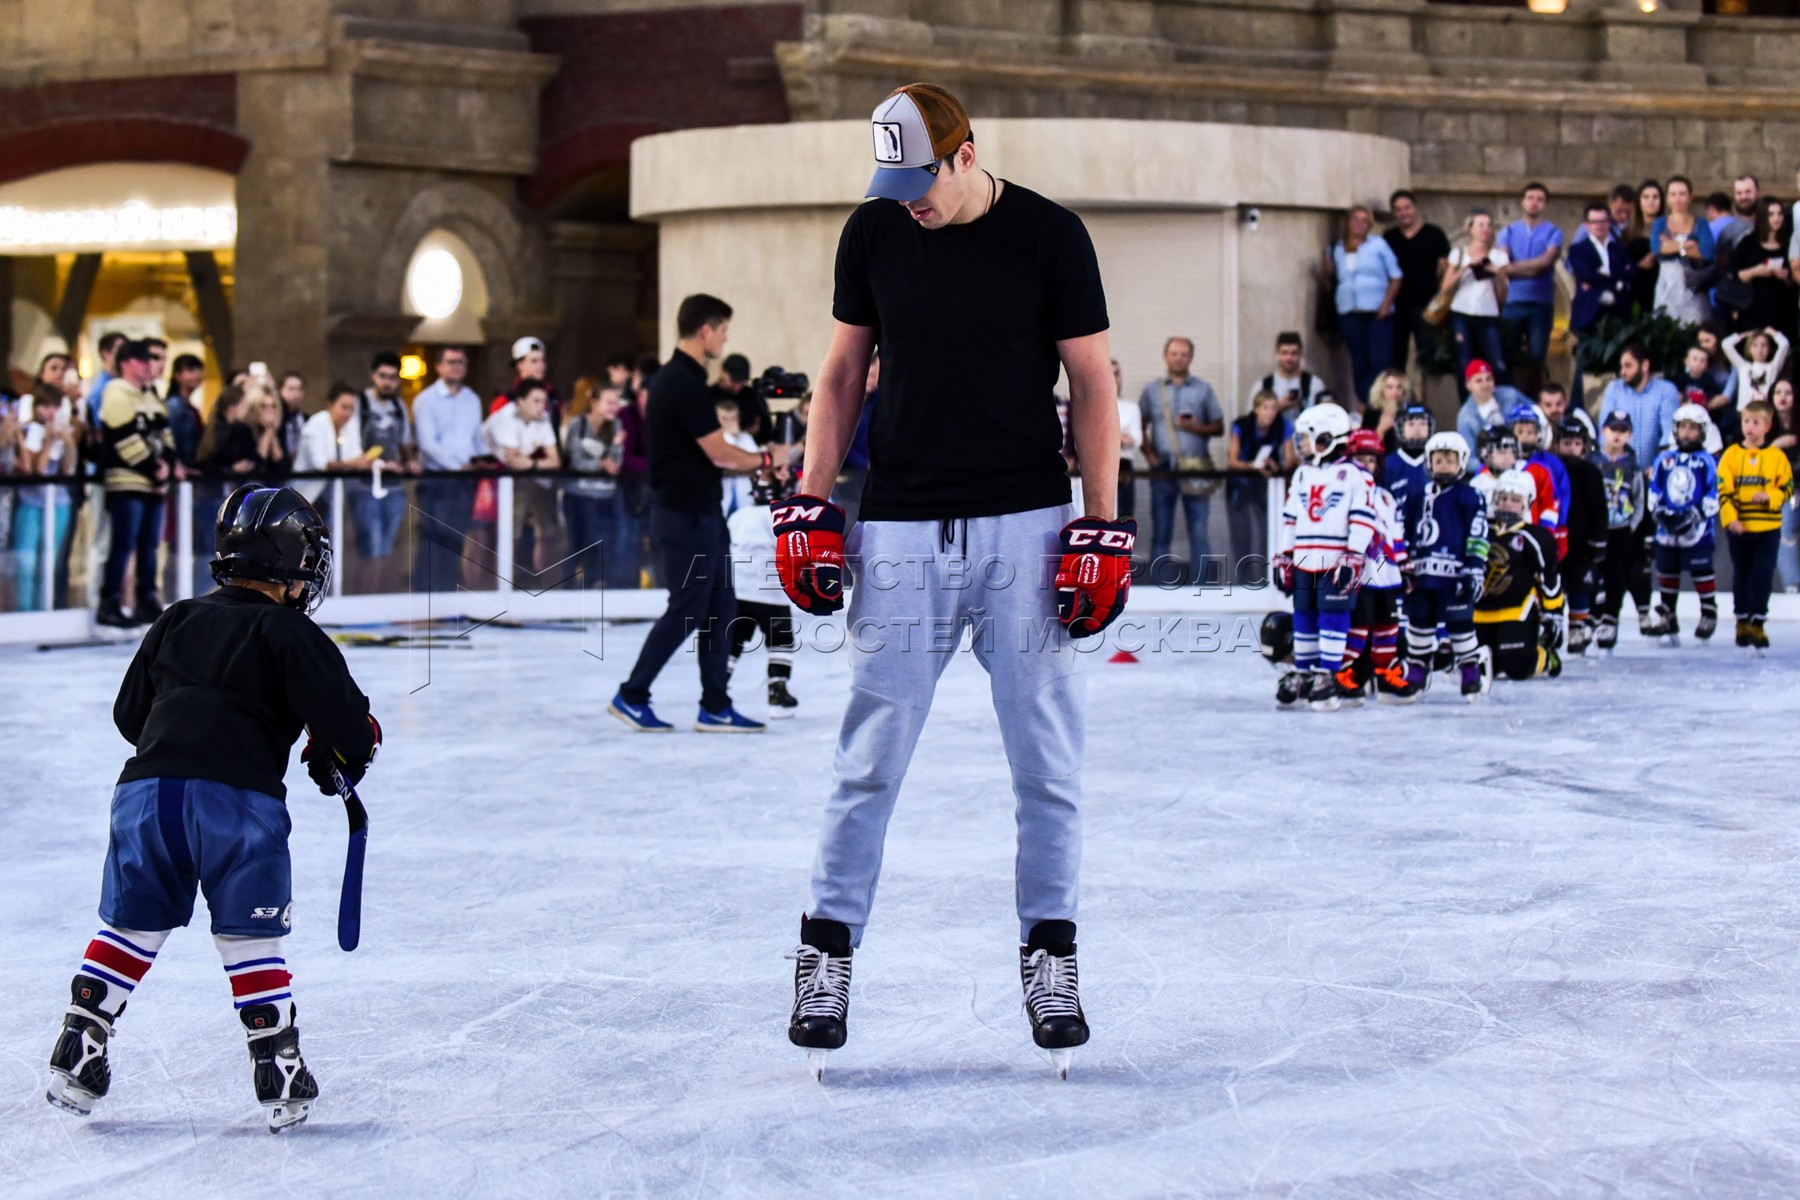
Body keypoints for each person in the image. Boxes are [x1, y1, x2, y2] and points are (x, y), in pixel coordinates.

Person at [773, 82, 1125, 1079]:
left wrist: (1099, 522)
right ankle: (826, 956)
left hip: (1027, 525)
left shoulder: (1051, 236)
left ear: (967, 154)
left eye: (921, 179)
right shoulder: (875, 232)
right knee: (867, 759)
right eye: (893, 183)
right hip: (900, 530)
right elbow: (842, 375)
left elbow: (1095, 382)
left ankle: (1051, 958)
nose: (909, 200)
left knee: (1046, 766)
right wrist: (811, 501)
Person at [42, 484, 378, 1132]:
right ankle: (278, 1068)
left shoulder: (176, 617)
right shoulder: (287, 630)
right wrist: (342, 753)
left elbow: (129, 716)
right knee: (248, 935)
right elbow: (349, 726)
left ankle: (80, 1044)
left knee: (130, 927)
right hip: (237, 803)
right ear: (296, 566)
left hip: (145, 794)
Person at [609, 293, 768, 734]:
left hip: (702, 514)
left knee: (720, 609)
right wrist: (766, 461)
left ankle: (715, 705)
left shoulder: (682, 380)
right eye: (722, 330)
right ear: (705, 331)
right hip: (684, 516)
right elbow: (719, 452)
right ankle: (632, 694)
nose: (725, 339)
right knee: (687, 610)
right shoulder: (681, 382)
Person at [1270, 405, 1374, 712]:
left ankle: (1328, 674)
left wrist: (1354, 556)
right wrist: (1284, 556)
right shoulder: (1302, 474)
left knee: (1332, 615)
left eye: (1307, 437)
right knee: (1303, 614)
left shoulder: (1355, 476)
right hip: (1304, 559)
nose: (1301, 444)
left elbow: (1362, 519)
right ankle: (1305, 670)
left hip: (1336, 560)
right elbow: (1290, 518)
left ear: (1328, 437)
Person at [1393, 431, 1490, 702]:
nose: (1443, 464)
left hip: (1454, 576)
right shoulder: (1416, 496)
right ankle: (1417, 668)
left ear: (1462, 462)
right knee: (1419, 622)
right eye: (1438, 459)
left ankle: (1470, 667)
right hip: (1421, 574)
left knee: (1459, 624)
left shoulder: (1471, 496)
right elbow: (1403, 530)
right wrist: (1402, 564)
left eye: (1450, 459)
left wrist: (1474, 568)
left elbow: (1478, 534)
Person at [96, 341, 170, 628]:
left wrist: (169, 463)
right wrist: (156, 468)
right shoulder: (116, 392)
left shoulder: (149, 394)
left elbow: (164, 433)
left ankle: (146, 600)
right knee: (123, 544)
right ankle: (110, 602)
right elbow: (123, 437)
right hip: (127, 482)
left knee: (149, 545)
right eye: (142, 360)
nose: (148, 366)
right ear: (126, 363)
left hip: (151, 484)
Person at [1139, 335, 1224, 584]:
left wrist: (1194, 426)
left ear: (1191, 357)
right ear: (1166, 356)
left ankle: (1201, 589)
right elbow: (1139, 426)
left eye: (1184, 354)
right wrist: (1151, 457)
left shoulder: (1203, 389)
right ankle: (1159, 588)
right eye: (1174, 353)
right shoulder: (1153, 390)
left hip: (1196, 466)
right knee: (1161, 531)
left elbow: (1218, 426)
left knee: (1199, 531)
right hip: (1163, 469)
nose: (1179, 358)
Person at [1336, 428, 1408, 702]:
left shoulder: (1386, 497)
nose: (1366, 465)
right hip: (1361, 574)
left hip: (1386, 575)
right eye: (1360, 459)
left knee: (1387, 627)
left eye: (1371, 460)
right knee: (1359, 627)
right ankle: (1344, 673)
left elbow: (1396, 535)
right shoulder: (1345, 493)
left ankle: (1385, 675)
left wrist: (1405, 565)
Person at [1474, 468, 1565, 681]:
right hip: (1480, 612)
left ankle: (1545, 655)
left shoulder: (1536, 537)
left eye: (1515, 499)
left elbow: (1548, 578)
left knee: (1517, 667)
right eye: (1503, 497)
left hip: (1517, 611)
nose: (1507, 503)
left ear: (1528, 503)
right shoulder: (1479, 532)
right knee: (1486, 669)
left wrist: (1553, 614)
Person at [1718, 399, 1792, 649]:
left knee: (1762, 575)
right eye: (1746, 421)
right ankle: (1741, 621)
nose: (1749, 427)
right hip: (1740, 528)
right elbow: (1723, 492)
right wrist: (1731, 520)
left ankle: (1758, 621)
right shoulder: (1731, 455)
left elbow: (1788, 489)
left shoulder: (1777, 457)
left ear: (1767, 426)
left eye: (1756, 422)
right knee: (1742, 575)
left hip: (1768, 528)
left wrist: (1770, 496)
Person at [725, 469, 800, 718]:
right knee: (780, 641)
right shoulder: (783, 516)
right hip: (772, 596)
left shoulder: (738, 516)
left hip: (740, 593)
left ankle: (717, 687)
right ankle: (777, 693)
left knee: (734, 641)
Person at [1646, 403, 1722, 643]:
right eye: (1683, 427)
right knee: (1667, 569)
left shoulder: (1706, 461)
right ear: (1675, 430)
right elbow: (1655, 490)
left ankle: (1708, 610)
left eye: (1693, 428)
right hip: (1667, 530)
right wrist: (1659, 512)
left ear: (1703, 432)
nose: (1687, 433)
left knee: (1701, 570)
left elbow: (1714, 493)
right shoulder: (1664, 459)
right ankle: (1668, 614)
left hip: (1697, 531)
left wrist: (1697, 515)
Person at [350, 352, 419, 592]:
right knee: (371, 546)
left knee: (387, 546)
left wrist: (410, 461)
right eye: (383, 376)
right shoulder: (360, 404)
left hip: (393, 485)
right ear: (373, 375)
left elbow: (405, 444)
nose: (387, 382)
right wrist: (376, 461)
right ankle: (363, 599)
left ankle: (378, 596)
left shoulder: (399, 407)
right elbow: (351, 444)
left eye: (392, 377)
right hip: (365, 484)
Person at [1324, 204, 1403, 407]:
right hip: (1350, 311)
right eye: (1355, 220)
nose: (1359, 224)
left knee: (1380, 361)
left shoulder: (1378, 245)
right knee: (1359, 361)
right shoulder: (1337, 249)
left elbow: (1396, 276)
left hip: (1377, 311)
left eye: (1364, 221)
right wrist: (1326, 271)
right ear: (1348, 223)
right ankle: (1363, 403)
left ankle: (1373, 401)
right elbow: (1331, 282)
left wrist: (1386, 305)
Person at [484, 380, 562, 576]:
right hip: (490, 478)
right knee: (505, 534)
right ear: (520, 401)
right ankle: (500, 585)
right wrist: (533, 464)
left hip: (526, 477)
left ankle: (544, 582)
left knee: (546, 531)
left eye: (543, 401)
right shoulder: (505, 417)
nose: (541, 406)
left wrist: (532, 464)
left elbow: (555, 460)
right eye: (536, 401)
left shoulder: (542, 417)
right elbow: (513, 460)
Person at [11, 384, 78, 610]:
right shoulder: (28, 431)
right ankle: (25, 610)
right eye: (45, 406)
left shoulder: (63, 431)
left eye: (54, 406)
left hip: (58, 503)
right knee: (26, 561)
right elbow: (37, 469)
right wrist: (49, 441)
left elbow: (68, 469)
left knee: (50, 561)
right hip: (31, 502)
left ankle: (45, 608)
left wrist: (68, 442)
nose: (49, 412)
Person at [1495, 183, 1564, 391]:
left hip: (1541, 304)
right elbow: (1502, 266)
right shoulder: (1508, 231)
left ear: (1545, 204)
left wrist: (1514, 268)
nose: (1534, 203)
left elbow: (1544, 263)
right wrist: (1527, 268)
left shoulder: (1554, 232)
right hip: (1513, 302)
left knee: (1537, 358)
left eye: (1540, 199)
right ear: (1523, 201)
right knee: (1509, 356)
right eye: (1530, 197)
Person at [1567, 200, 1635, 408]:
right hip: (1590, 315)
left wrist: (1603, 280)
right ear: (1587, 225)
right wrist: (1616, 282)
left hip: (1616, 313)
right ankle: (1577, 407)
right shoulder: (1578, 249)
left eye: (1603, 221)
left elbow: (1630, 271)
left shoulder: (1618, 248)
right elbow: (1585, 273)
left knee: (1617, 362)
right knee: (1585, 362)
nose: (1599, 226)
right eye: (1594, 222)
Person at [560, 377, 626, 589]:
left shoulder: (616, 426)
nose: (614, 408)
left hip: (607, 496)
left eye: (616, 402)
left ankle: (592, 589)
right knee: (576, 546)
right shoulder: (576, 425)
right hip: (578, 496)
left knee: (602, 548)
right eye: (609, 402)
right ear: (594, 402)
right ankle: (567, 595)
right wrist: (602, 463)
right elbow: (577, 460)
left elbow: (616, 462)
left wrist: (608, 457)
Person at [1224, 389, 1295, 583]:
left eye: (1273, 408)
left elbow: (1291, 460)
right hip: (1240, 484)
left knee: (1268, 532)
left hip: (1266, 487)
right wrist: (1253, 466)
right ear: (1256, 410)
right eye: (1265, 408)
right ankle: (1244, 580)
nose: (1269, 413)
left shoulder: (1283, 425)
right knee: (1241, 534)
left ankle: (1268, 577)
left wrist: (1277, 467)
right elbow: (1232, 460)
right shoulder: (1241, 425)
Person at [1592, 410, 1649, 652]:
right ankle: (1591, 617)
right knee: (1594, 575)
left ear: (1629, 435)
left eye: (1622, 430)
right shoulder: (1593, 462)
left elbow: (1639, 499)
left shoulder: (1632, 466)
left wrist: (1632, 525)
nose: (1617, 435)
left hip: (1621, 529)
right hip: (1596, 530)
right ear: (1603, 431)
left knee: (1617, 575)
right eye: (1613, 429)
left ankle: (1610, 619)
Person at [1553, 419, 1608, 657]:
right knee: (1553, 587)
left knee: (1579, 587)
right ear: (1557, 444)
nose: (1572, 448)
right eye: (1567, 443)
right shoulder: (1551, 468)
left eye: (1577, 443)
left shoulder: (1591, 472)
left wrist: (1598, 541)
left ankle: (1577, 628)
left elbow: (1599, 510)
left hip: (1581, 542)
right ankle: (1551, 629)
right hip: (1554, 540)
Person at [1383, 189, 1451, 375]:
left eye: (1407, 207)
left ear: (1415, 208)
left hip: (1426, 304)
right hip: (1398, 306)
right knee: (1396, 358)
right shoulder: (1389, 238)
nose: (1404, 213)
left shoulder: (1434, 234)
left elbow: (1446, 268)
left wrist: (1440, 299)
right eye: (1398, 209)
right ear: (1394, 212)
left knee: (1430, 357)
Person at [1442, 208, 1510, 385]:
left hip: (1488, 315)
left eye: (1488, 225)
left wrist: (1499, 275)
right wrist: (1467, 267)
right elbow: (1446, 286)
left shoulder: (1499, 256)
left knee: (1498, 363)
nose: (1485, 229)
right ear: (1470, 229)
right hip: (1461, 314)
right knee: (1464, 364)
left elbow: (1503, 296)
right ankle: (1467, 407)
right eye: (1480, 225)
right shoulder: (1459, 253)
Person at [1598, 343, 1681, 473]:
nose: (1622, 372)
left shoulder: (1665, 390)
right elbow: (1604, 433)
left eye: (1628, 366)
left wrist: (1659, 468)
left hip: (1653, 473)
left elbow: (1669, 437)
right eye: (1622, 366)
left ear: (1645, 366)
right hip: (1618, 473)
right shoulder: (1614, 389)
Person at [292, 383, 370, 507]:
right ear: (330, 405)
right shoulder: (315, 425)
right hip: (308, 493)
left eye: (352, 409)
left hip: (335, 493)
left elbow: (356, 454)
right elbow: (320, 464)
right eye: (344, 407)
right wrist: (352, 464)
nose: (348, 413)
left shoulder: (351, 424)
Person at [1651, 176, 1715, 326]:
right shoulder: (1660, 223)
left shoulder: (1700, 223)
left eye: (1682, 194)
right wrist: (1686, 245)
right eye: (1673, 194)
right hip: (1667, 285)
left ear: (1690, 197)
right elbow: (1657, 249)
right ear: (1667, 198)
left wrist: (1672, 245)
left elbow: (1707, 252)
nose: (1677, 199)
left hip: (1693, 285)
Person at [1509, 403, 1569, 559]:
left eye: (1530, 432)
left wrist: (1555, 531)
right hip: (1505, 532)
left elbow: (1557, 499)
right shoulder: (1499, 463)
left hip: (1536, 530)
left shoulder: (1549, 465)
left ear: (1539, 434)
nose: (1524, 437)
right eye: (1519, 431)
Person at [1735, 197, 1796, 336]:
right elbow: (1735, 273)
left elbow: (1794, 279)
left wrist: (1786, 276)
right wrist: (1756, 271)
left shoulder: (1788, 242)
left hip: (1783, 310)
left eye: (1779, 213)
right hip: (1753, 309)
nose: (1776, 218)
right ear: (1762, 217)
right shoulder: (1749, 242)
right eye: (1771, 214)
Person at [1455, 359, 1529, 453]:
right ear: (1468, 385)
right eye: (1479, 381)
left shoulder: (1511, 395)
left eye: (1489, 379)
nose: (1485, 384)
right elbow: (1469, 458)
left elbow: (1537, 412)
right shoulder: (1465, 418)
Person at [1385, 402, 1434, 542]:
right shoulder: (1388, 465)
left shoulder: (1437, 463)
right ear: (1400, 428)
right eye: (1411, 424)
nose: (1417, 429)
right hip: (1396, 538)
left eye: (1423, 423)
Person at [1254, 331, 1327, 414]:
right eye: (1284, 353)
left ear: (1301, 355)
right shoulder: (1263, 386)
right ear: (1277, 355)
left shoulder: (1315, 384)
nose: (1289, 358)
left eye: (1294, 353)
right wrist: (1277, 407)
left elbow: (1324, 417)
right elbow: (1252, 420)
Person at [1721, 327, 1791, 409]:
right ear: (1749, 349)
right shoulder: (1743, 366)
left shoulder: (1772, 367)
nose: (1759, 350)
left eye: (1764, 345)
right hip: (1745, 411)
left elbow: (1785, 344)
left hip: (1766, 411)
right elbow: (1726, 344)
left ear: (1769, 349)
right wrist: (1745, 334)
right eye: (1755, 345)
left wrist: (1772, 333)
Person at [1626, 179, 1664, 316]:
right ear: (1639, 201)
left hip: (1662, 287)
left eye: (1655, 197)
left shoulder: (1669, 229)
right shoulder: (1628, 233)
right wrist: (1639, 265)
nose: (1651, 201)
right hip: (1637, 289)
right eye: (1646, 197)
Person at [164, 354, 206, 471]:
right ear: (177, 375)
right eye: (190, 370)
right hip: (182, 471)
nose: (197, 375)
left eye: (199, 370)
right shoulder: (174, 406)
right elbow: (171, 441)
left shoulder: (190, 408)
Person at [1362, 368, 1407, 451]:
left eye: (1399, 387)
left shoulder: (1407, 412)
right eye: (1390, 387)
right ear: (1381, 390)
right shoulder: (1371, 413)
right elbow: (1366, 447)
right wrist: (1381, 428)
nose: (1395, 391)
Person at [277, 372, 307, 464]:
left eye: (299, 389)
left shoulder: (308, 420)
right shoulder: (276, 422)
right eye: (291, 389)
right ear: (280, 391)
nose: (296, 394)